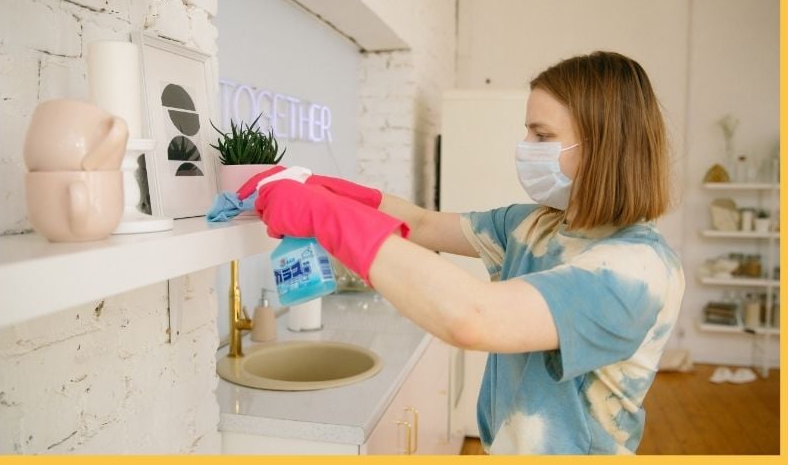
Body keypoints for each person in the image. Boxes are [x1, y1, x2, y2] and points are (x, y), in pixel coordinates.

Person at [237, 51, 685, 455]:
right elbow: (427, 225)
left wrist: (326, 217)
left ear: (603, 146)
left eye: (541, 134)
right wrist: (328, 189)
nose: (525, 146)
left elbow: (475, 318)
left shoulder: (636, 270)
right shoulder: (537, 223)